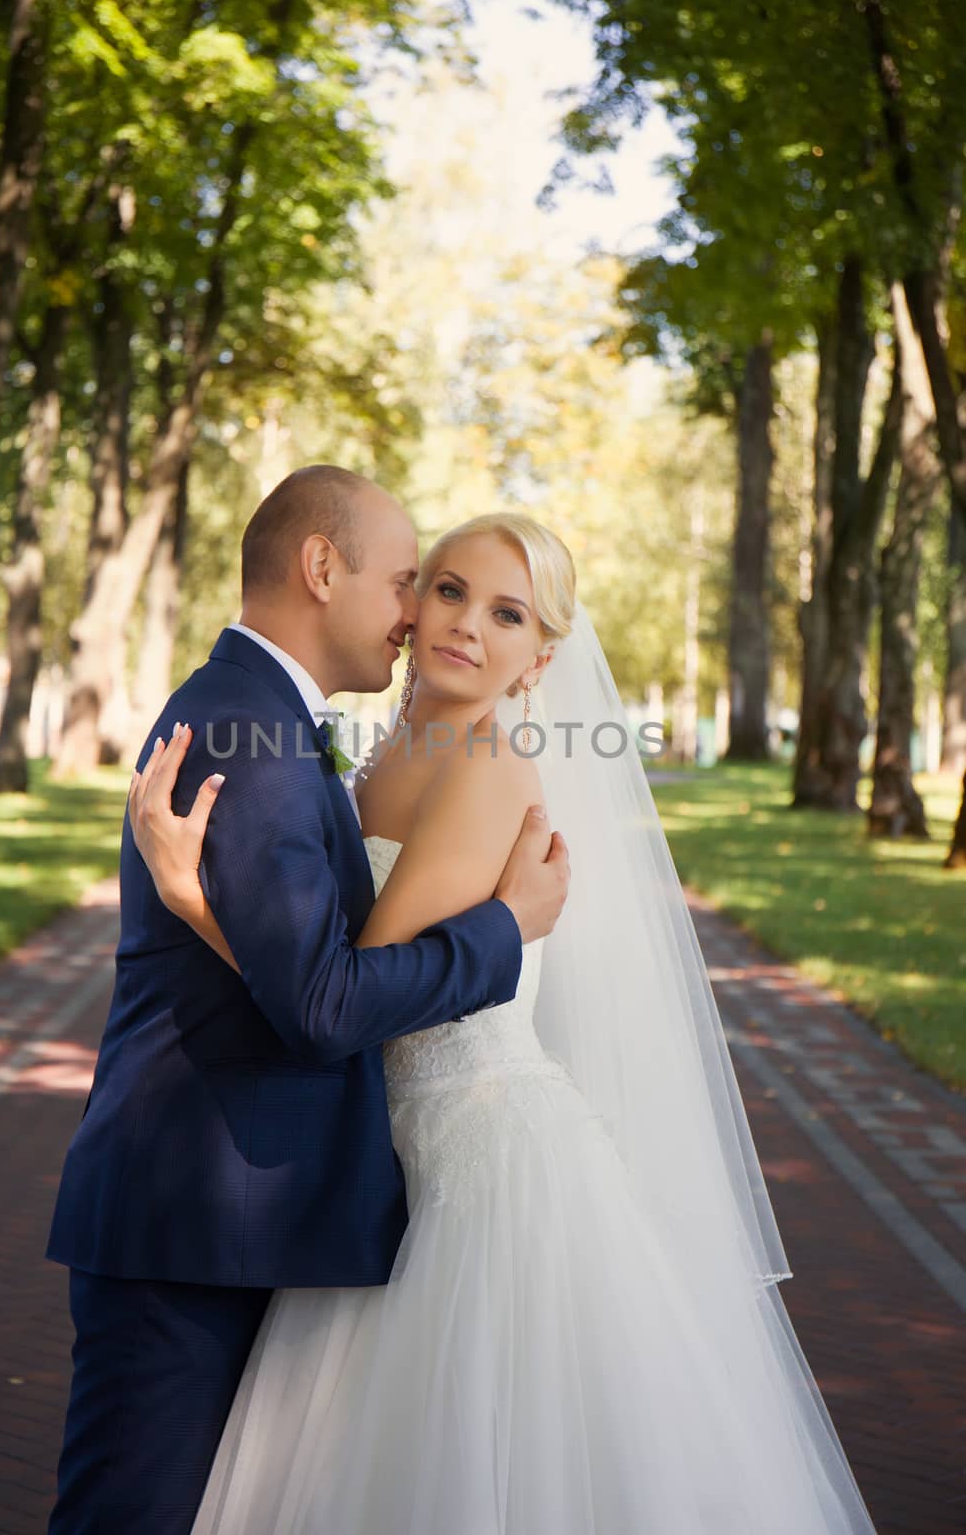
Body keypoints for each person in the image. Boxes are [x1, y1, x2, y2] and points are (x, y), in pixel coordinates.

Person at [132, 509, 879, 1534]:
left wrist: (193, 903)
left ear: (539, 656)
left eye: (505, 612)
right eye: (445, 590)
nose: (466, 625)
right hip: (383, 1154)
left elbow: (347, 992)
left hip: (475, 1160)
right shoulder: (382, 751)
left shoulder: (486, 759)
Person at [44, 467, 570, 1535]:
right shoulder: (260, 736)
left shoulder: (276, 722)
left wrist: (203, 911)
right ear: (321, 568)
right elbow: (325, 1003)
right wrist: (502, 931)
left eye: (493, 607)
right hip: (194, 1223)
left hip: (264, 1206)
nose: (419, 616)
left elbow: (314, 977)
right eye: (413, 584)